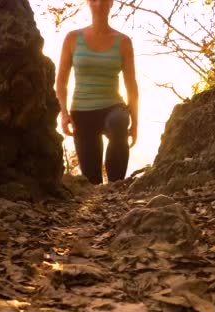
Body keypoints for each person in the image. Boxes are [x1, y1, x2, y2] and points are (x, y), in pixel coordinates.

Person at [56, 0, 139, 185]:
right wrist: (64, 113)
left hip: (113, 106)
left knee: (119, 120)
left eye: (105, 0)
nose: (99, 4)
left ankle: (116, 187)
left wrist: (135, 123)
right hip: (82, 112)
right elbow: (61, 82)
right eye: (94, 0)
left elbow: (131, 86)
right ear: (88, 3)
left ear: (111, 4)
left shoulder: (123, 42)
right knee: (92, 180)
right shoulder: (72, 38)